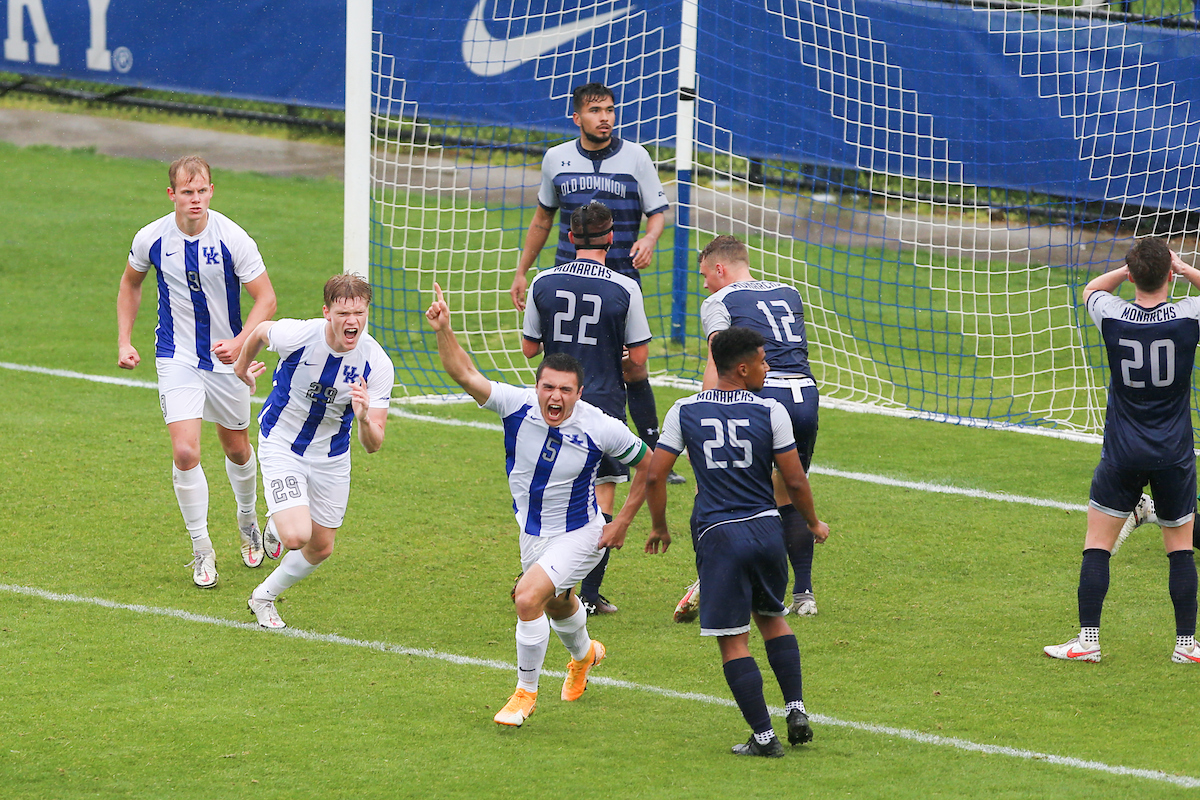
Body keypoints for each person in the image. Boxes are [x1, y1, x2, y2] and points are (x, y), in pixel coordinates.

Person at [427, 282, 650, 727]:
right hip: (532, 533)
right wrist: (444, 330)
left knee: (527, 597)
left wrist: (623, 520)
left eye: (565, 390)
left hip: (582, 533)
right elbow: (464, 374)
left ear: (579, 393)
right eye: (548, 387)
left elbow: (650, 465)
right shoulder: (517, 406)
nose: (555, 397)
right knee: (557, 604)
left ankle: (524, 694)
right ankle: (585, 655)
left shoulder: (600, 426)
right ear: (537, 386)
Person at [644, 326, 830, 756]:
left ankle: (764, 738)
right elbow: (794, 479)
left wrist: (659, 526)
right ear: (743, 368)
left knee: (733, 640)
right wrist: (813, 522)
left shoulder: (684, 410)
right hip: (767, 531)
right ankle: (796, 708)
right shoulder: (771, 411)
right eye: (763, 361)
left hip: (718, 535)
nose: (768, 368)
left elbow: (655, 475)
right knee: (773, 618)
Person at [508, 82, 683, 489]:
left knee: (632, 366)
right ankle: (562, 447)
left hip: (621, 282)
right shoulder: (556, 159)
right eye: (595, 111)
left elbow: (657, 213)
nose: (605, 118)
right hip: (568, 281)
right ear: (577, 117)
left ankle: (651, 453)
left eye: (609, 110)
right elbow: (542, 219)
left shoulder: (636, 157)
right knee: (565, 366)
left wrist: (649, 238)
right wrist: (522, 271)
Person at [117, 154, 277, 587]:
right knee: (186, 452)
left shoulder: (232, 238)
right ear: (172, 194)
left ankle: (247, 519)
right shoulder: (151, 237)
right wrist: (125, 341)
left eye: (202, 191)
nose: (195, 199)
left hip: (227, 361)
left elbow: (266, 298)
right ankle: (202, 548)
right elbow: (131, 282)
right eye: (187, 192)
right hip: (177, 356)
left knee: (237, 449)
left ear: (211, 191)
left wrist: (240, 342)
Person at [1044, 237, 1200, 664]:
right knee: (1180, 550)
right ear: (1169, 275)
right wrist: (1185, 270)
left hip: (1122, 450)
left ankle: (1088, 641)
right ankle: (1186, 645)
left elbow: (1091, 289)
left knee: (1097, 544)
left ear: (1131, 276)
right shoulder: (1189, 315)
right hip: (1173, 452)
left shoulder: (1111, 315)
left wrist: (1127, 270)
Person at [673, 234, 824, 622]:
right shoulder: (789, 292)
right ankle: (804, 594)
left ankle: (716, 576)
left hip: (761, 395)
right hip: (804, 395)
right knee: (789, 488)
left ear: (720, 268)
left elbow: (717, 360)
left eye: (705, 275)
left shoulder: (719, 301)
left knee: (720, 488)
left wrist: (705, 418)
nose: (705, 284)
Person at [234, 274, 394, 630]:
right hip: (282, 442)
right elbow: (259, 331)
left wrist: (364, 418)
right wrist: (241, 369)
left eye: (359, 313)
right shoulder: (299, 336)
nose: (352, 321)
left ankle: (262, 597)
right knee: (296, 536)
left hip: (332, 457)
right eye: (343, 313)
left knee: (321, 547)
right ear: (326, 312)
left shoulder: (377, 364)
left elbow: (374, 444)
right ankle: (281, 520)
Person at [521, 201, 653, 615]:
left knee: (550, 490)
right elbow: (639, 359)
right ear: (611, 237)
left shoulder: (543, 281)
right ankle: (589, 595)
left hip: (553, 403)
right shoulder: (625, 288)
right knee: (602, 495)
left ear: (570, 237)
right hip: (603, 402)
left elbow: (529, 349)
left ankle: (538, 578)